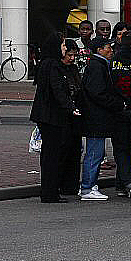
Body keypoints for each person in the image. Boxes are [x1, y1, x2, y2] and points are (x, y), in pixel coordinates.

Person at [29, 33, 80, 203]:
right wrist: (70, 107)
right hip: (51, 116)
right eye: (63, 45)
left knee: (50, 154)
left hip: (47, 115)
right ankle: (50, 192)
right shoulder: (52, 66)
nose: (64, 49)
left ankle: (50, 190)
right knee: (52, 155)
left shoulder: (46, 64)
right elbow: (57, 90)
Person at [79, 38, 128, 200]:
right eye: (108, 47)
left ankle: (89, 185)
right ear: (99, 50)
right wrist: (116, 103)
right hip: (96, 117)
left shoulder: (99, 65)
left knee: (95, 153)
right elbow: (97, 93)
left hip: (97, 116)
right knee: (95, 154)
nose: (111, 50)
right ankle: (88, 187)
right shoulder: (97, 66)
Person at [110, 32, 131, 197]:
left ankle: (123, 183)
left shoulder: (113, 60)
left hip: (118, 109)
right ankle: (129, 182)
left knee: (121, 149)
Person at [58, 39, 85, 196]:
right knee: (63, 150)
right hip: (64, 116)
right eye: (69, 55)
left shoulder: (73, 69)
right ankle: (62, 183)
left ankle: (71, 184)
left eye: (74, 55)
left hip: (75, 116)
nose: (72, 58)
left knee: (74, 151)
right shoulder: (57, 69)